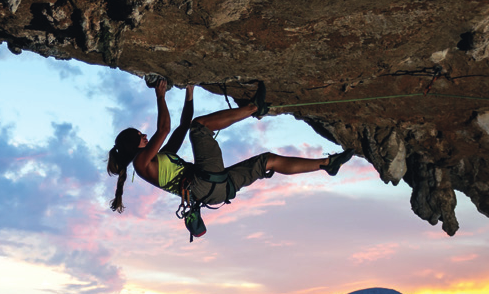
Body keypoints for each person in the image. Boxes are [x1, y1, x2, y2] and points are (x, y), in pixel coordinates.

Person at [106, 79, 353, 215]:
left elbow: (181, 126)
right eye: (139, 136)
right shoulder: (141, 164)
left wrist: (189, 91)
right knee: (199, 127)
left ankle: (327, 164)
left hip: (218, 190)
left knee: (268, 161)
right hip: (203, 182)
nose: (145, 135)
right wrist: (160, 96)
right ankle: (253, 108)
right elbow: (164, 129)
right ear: (132, 145)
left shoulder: (162, 159)